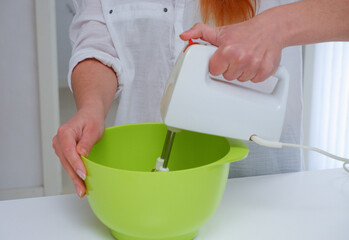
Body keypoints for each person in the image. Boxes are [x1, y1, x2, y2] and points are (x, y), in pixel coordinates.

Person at [52, 0, 349, 198]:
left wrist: (276, 26)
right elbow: (97, 35)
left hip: (261, 186)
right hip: (147, 191)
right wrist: (91, 106)